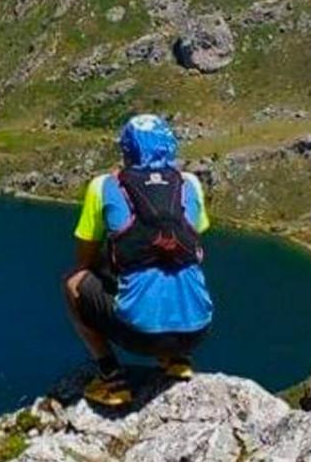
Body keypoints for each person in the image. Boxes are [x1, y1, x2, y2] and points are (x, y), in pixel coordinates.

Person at [63, 113, 213, 407]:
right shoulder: (190, 183)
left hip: (138, 334)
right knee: (177, 266)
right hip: (198, 330)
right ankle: (177, 361)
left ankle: (112, 379)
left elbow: (84, 257)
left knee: (73, 282)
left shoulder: (105, 185)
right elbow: (193, 238)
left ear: (126, 149)